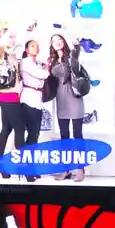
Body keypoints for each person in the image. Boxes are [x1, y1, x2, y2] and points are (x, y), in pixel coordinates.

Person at [45, 33, 87, 181]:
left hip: (74, 98)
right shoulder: (51, 60)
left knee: (77, 136)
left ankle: (81, 169)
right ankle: (66, 169)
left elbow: (76, 49)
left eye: (59, 39)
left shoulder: (72, 56)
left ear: (63, 41)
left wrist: (74, 44)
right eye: (53, 40)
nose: (57, 42)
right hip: (60, 99)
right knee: (64, 137)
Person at [0, 30, 23, 179]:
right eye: (10, 36)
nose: (13, 39)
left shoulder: (12, 55)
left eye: (14, 36)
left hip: (13, 96)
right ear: (1, 39)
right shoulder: (0, 51)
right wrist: (2, 39)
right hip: (6, 96)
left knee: (7, 129)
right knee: (20, 129)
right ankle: (22, 167)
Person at [16, 38, 49, 153]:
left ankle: (29, 163)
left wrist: (45, 68)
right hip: (28, 99)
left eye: (37, 46)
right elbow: (43, 75)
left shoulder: (37, 64)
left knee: (35, 134)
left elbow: (42, 79)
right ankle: (24, 162)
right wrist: (47, 68)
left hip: (37, 100)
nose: (36, 48)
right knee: (31, 133)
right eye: (33, 46)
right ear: (27, 49)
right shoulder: (25, 62)